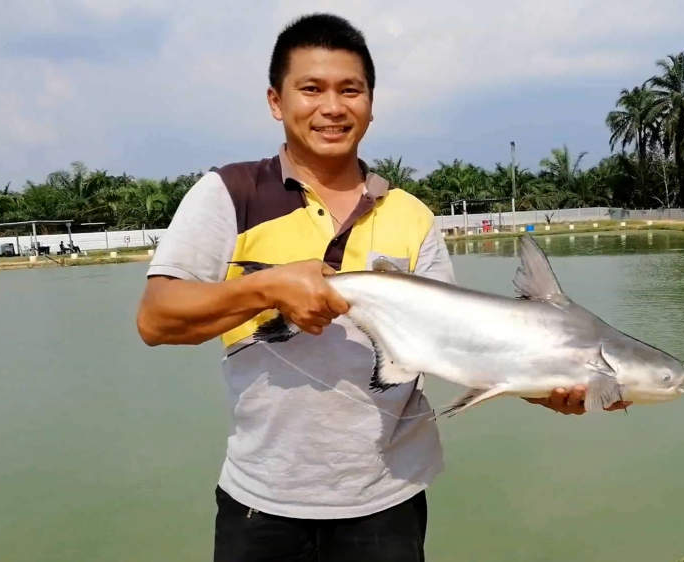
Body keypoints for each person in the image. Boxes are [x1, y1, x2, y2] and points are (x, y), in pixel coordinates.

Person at [135, 13, 629, 562]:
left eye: (350, 90)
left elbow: (455, 347)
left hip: (388, 498)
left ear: (371, 102)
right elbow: (157, 320)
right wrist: (267, 288)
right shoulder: (228, 193)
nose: (332, 106)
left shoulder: (412, 215)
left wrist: (548, 388)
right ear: (276, 101)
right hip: (262, 497)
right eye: (311, 89)